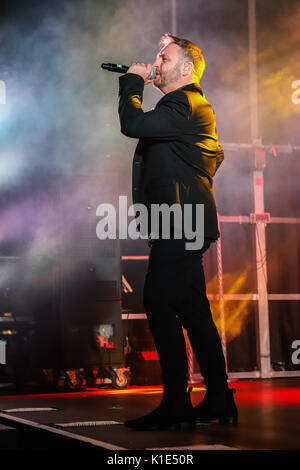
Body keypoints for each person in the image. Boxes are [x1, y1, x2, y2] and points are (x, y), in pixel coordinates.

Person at [118, 33, 237, 430]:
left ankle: (175, 403)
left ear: (186, 68)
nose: (156, 64)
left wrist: (132, 81)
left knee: (158, 301)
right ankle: (218, 397)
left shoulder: (186, 102)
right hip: (180, 220)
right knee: (191, 308)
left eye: (164, 58)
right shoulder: (184, 106)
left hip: (180, 222)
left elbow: (133, 123)